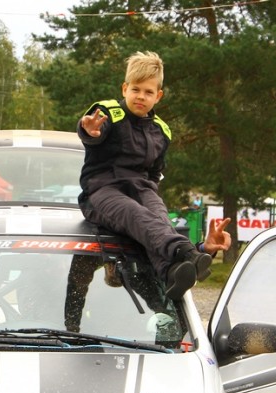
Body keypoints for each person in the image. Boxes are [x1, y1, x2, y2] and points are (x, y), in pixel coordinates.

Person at [77, 51, 212, 301]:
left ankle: (170, 273)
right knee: (137, 216)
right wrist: (89, 132)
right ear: (125, 88)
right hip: (102, 192)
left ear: (158, 96)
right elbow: (92, 130)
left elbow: (154, 173)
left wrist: (149, 193)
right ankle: (186, 251)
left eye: (148, 92)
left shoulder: (162, 130)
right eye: (136, 89)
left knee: (159, 217)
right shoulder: (107, 112)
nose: (141, 96)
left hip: (142, 189)